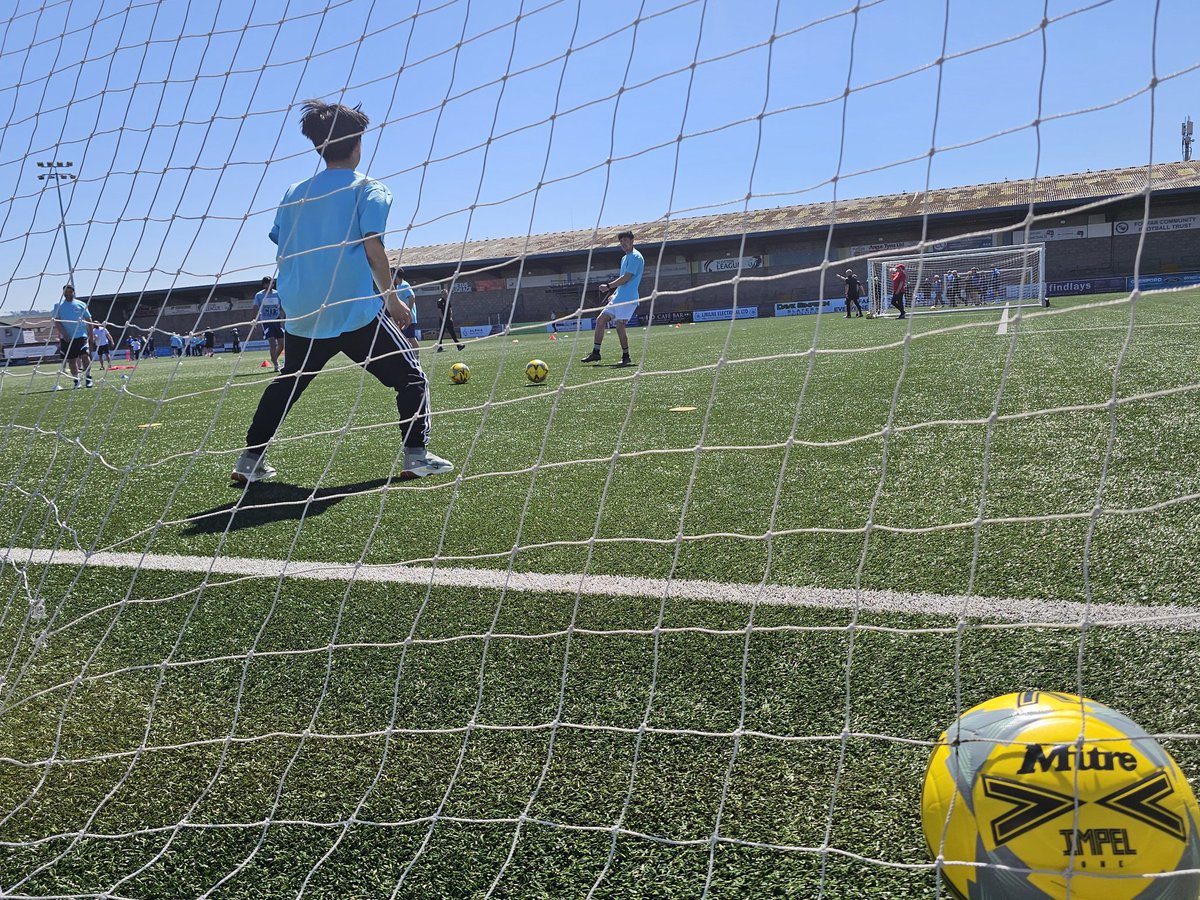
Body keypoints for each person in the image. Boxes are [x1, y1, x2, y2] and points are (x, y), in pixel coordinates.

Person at [231, 99, 451, 485]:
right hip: (352, 309)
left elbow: (280, 242)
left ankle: (249, 461)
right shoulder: (370, 189)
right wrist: (392, 298)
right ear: (358, 145)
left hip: (302, 310)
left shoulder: (293, 192)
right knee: (412, 379)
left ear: (318, 146)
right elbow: (373, 247)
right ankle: (416, 455)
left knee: (288, 383)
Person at [581, 230, 641, 366]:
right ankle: (596, 352)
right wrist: (614, 294)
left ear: (632, 241)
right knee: (600, 320)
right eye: (621, 241)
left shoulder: (636, 257)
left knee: (619, 326)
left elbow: (626, 278)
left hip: (628, 299)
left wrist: (608, 286)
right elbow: (623, 279)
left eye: (625, 240)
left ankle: (626, 356)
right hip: (618, 297)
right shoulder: (624, 258)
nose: (623, 244)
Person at [51, 284, 94, 389]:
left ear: (73, 292)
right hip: (67, 338)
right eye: (66, 292)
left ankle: (88, 378)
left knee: (85, 356)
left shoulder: (81, 304)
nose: (68, 294)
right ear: (63, 293)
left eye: (70, 292)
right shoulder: (58, 305)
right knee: (71, 360)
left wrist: (91, 334)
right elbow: (57, 321)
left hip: (81, 335)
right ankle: (76, 380)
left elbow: (89, 320)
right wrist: (63, 333)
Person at [253, 276, 285, 370]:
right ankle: (276, 364)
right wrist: (254, 320)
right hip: (266, 321)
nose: (271, 285)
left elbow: (282, 305)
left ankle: (273, 358)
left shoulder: (277, 294)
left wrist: (285, 315)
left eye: (272, 283)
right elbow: (255, 307)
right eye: (269, 283)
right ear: (264, 284)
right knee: (272, 343)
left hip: (277, 320)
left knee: (282, 343)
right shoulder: (259, 295)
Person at [392, 267, 420, 350]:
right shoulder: (398, 286)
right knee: (404, 338)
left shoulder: (405, 285)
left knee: (411, 337)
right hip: (403, 317)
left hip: (409, 317)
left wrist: (408, 311)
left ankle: (417, 357)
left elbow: (412, 297)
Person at [434, 286, 464, 352]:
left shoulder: (448, 300)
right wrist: (443, 319)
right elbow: (439, 311)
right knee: (441, 334)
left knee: (452, 332)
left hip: (448, 319)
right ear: (442, 294)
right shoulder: (440, 301)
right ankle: (439, 347)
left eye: (446, 293)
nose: (446, 295)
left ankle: (459, 346)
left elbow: (450, 309)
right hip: (443, 320)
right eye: (444, 294)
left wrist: (450, 317)